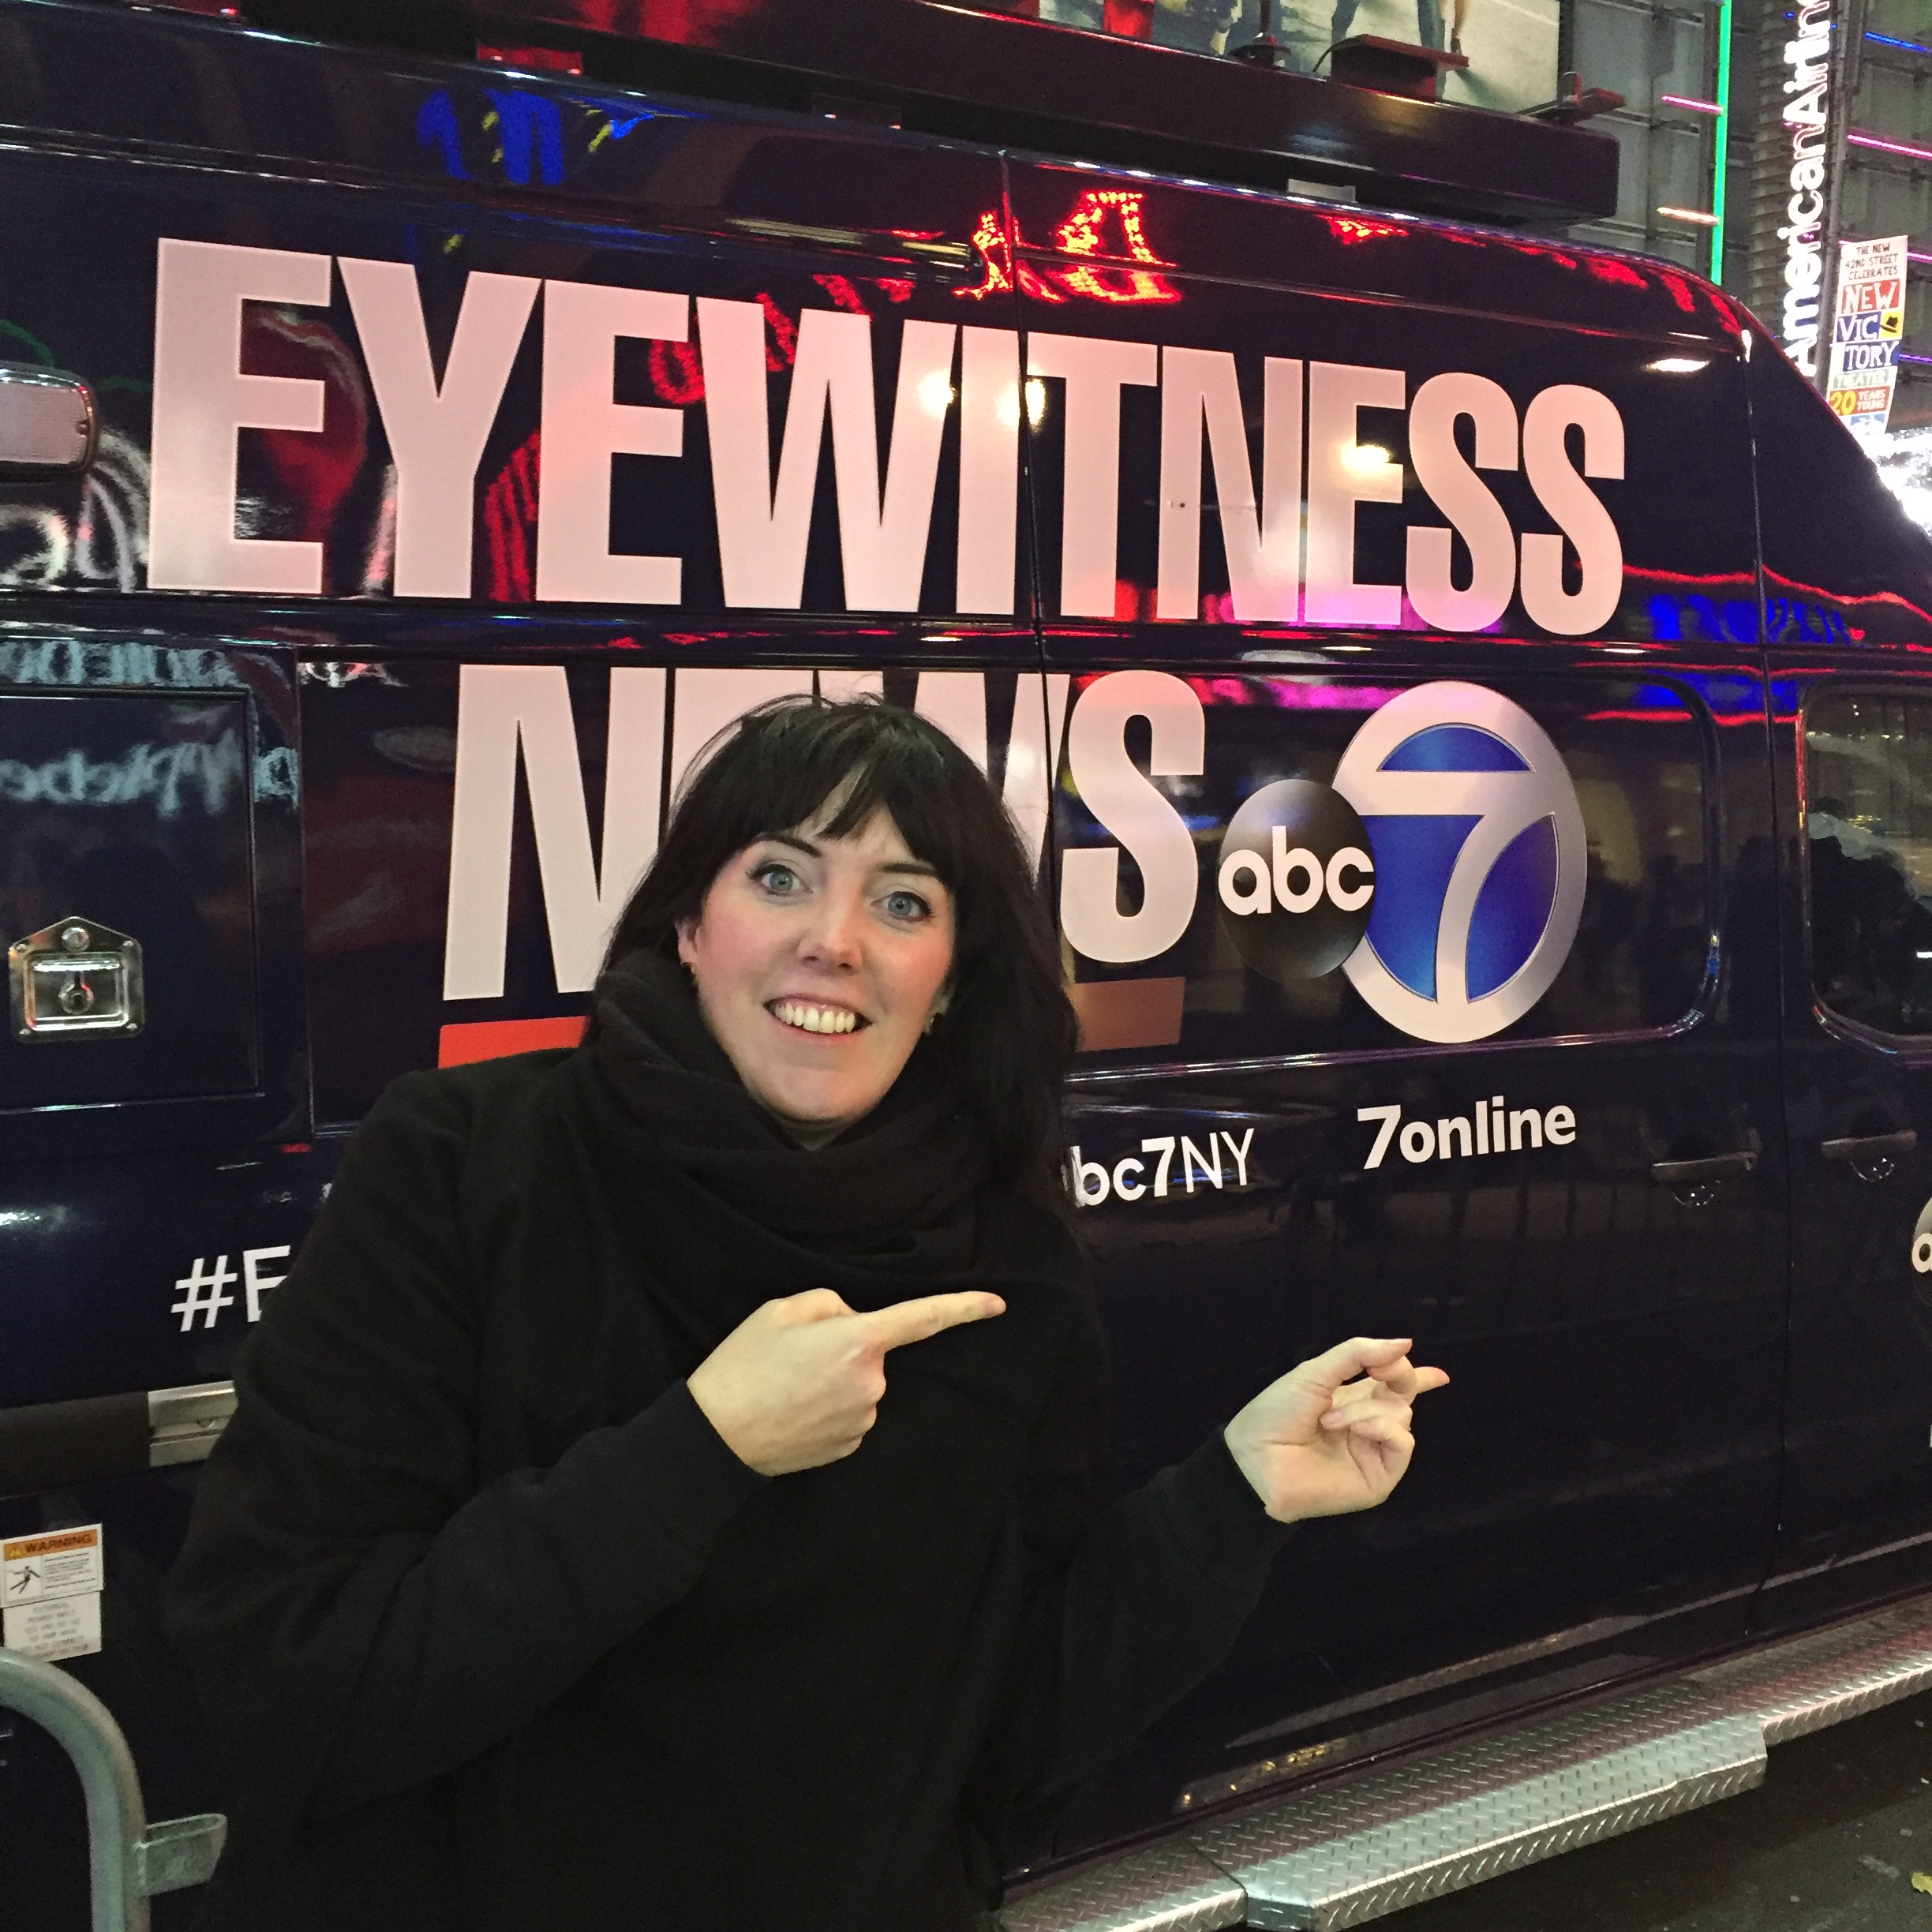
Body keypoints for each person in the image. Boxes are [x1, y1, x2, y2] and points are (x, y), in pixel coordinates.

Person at [169, 696, 1447, 1932]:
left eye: (903, 902)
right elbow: (284, 1682)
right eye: (781, 877)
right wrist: (701, 1450)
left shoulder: (1006, 1256)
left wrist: (1231, 1501)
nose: (834, 941)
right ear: (689, 923)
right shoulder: (463, 1164)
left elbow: (1000, 1743)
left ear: (952, 981)